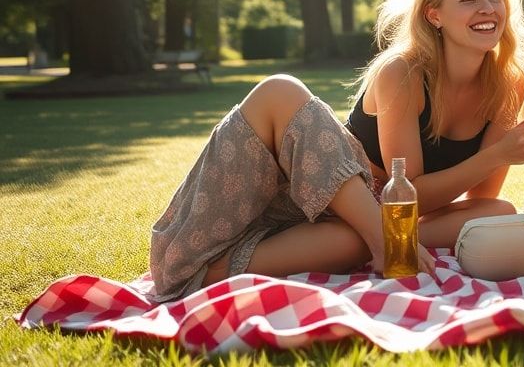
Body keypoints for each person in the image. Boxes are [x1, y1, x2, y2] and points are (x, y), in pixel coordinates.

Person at [344, 0, 524, 247]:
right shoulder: (402, 73)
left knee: (499, 211)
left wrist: (514, 151)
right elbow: (408, 198)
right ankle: (375, 243)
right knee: (493, 218)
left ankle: (385, 245)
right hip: (355, 203)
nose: (487, 9)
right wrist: (499, 154)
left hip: (417, 217)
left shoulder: (509, 83)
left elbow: (481, 198)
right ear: (435, 16)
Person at [150, 75, 434, 302]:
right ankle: (383, 238)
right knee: (282, 91)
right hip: (196, 243)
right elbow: (414, 184)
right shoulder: (404, 71)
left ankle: (209, 274)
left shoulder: (480, 93)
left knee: (355, 240)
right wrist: (391, 235)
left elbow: (472, 203)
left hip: (281, 226)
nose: (481, 7)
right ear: (433, 15)